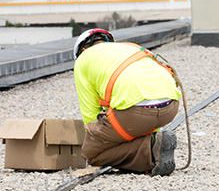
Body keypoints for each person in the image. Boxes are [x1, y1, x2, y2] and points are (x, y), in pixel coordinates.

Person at [72, 28, 182, 176]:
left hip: (135, 112)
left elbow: (90, 114)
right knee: (128, 129)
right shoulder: (131, 47)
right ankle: (155, 140)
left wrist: (97, 139)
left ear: (82, 49)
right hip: (170, 106)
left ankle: (150, 150)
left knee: (92, 153)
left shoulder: (82, 60)